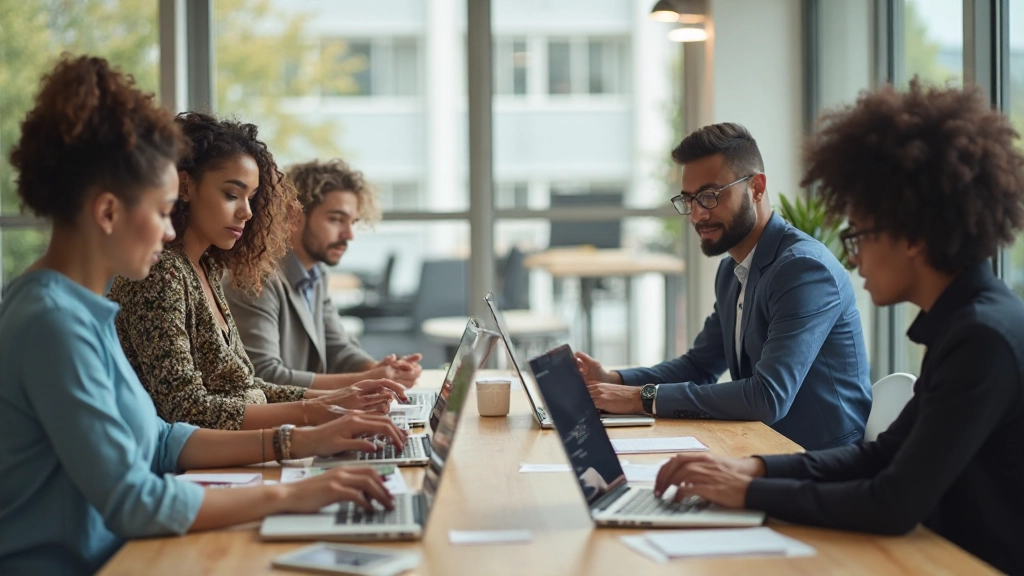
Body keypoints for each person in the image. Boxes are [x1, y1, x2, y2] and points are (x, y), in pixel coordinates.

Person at [0, 55, 408, 575]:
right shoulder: (50, 323)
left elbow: (164, 439)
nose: (169, 231)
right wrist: (291, 495)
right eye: (161, 210)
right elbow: (136, 501)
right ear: (107, 213)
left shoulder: (80, 311)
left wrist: (306, 439)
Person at [653, 82, 1024, 575]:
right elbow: (880, 457)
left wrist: (746, 490)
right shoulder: (968, 325)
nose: (853, 257)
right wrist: (753, 468)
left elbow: (892, 501)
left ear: (911, 235)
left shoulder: (983, 338)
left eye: (860, 235)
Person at [576, 122, 872, 450]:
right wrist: (612, 380)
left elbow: (768, 396)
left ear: (757, 188)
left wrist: (641, 398)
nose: (697, 215)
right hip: (760, 449)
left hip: (818, 465)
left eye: (710, 196)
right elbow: (700, 366)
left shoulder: (803, 269)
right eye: (689, 200)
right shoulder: (732, 271)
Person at [108, 112, 404, 430]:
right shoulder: (161, 274)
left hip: (233, 452)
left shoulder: (204, 267)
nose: (246, 212)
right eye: (231, 195)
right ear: (184, 186)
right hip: (195, 468)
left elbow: (248, 388)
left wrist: (337, 397)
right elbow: (186, 410)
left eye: (251, 198)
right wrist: (314, 413)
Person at [223, 158, 422, 390]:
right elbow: (264, 376)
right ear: (294, 215)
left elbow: (337, 348)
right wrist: (370, 379)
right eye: (336, 219)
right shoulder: (257, 277)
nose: (349, 235)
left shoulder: (315, 274)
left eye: (352, 222)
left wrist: (383, 369)